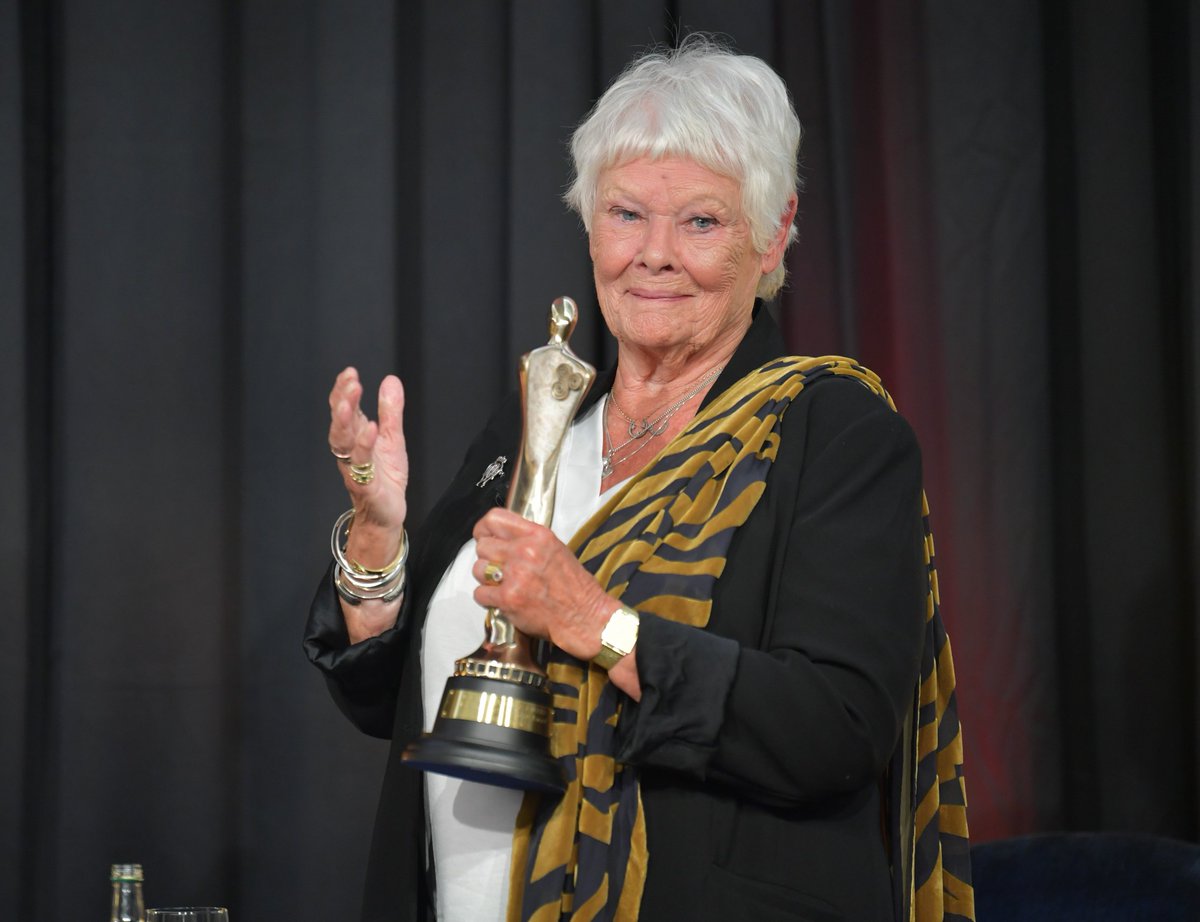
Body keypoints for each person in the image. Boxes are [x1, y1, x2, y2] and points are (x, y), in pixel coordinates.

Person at [305, 38, 974, 922]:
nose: (653, 255)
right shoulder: (538, 419)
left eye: (700, 222)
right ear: (590, 227)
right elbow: (393, 700)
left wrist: (595, 621)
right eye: (626, 214)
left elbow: (836, 730)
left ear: (772, 234)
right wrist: (377, 542)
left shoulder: (835, 435)